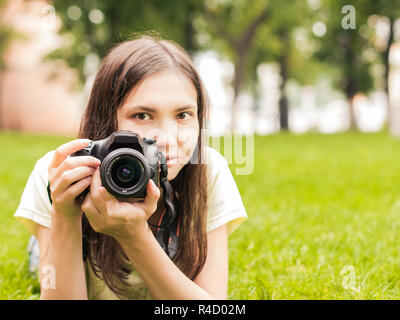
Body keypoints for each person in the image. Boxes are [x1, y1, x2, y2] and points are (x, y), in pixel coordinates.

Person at [13, 35, 248, 300]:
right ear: (107, 119)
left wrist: (135, 236)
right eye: (142, 116)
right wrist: (65, 215)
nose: (168, 139)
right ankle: (39, 243)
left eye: (183, 115)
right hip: (59, 241)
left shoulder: (207, 170)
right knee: (40, 258)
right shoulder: (60, 172)